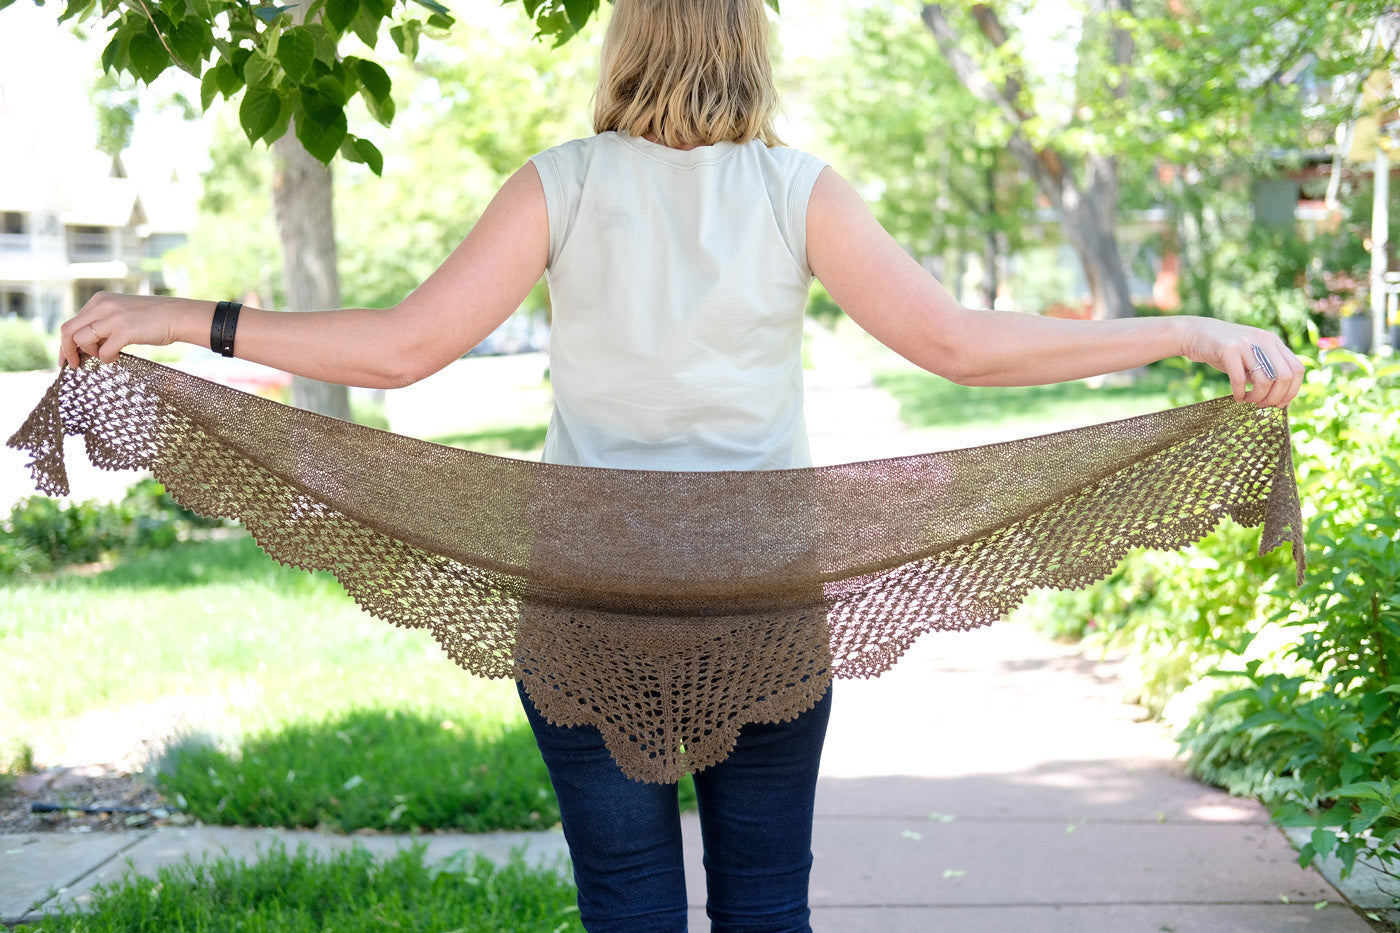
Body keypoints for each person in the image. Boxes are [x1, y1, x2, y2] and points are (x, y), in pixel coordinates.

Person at [57, 0, 1303, 928]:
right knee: (766, 904)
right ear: (751, 47)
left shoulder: (561, 184)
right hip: (758, 598)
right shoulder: (795, 191)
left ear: (623, 43)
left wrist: (184, 317)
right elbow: (956, 345)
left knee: (628, 903)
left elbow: (402, 351)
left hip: (588, 600)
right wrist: (1186, 331)